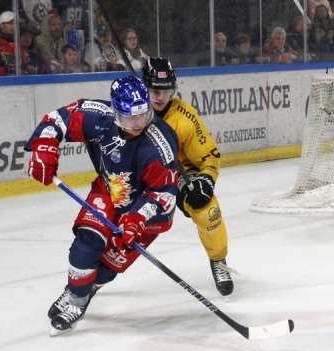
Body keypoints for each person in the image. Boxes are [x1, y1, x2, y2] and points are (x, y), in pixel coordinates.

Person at [28, 76, 180, 335]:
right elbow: (57, 119)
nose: (138, 122)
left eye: (143, 114)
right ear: (115, 110)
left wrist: (137, 218)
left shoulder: (159, 145)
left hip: (148, 213)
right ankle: (76, 299)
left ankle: (88, 287)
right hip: (112, 189)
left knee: (105, 270)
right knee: (86, 243)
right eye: (130, 116)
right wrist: (44, 145)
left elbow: (163, 194)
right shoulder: (98, 117)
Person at [141, 58, 235, 297]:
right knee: (109, 219)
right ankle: (90, 277)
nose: (160, 96)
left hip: (176, 174)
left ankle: (218, 260)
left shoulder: (184, 116)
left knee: (208, 210)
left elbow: (210, 157)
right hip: (139, 177)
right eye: (153, 90)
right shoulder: (130, 110)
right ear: (143, 87)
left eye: (165, 90)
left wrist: (206, 180)